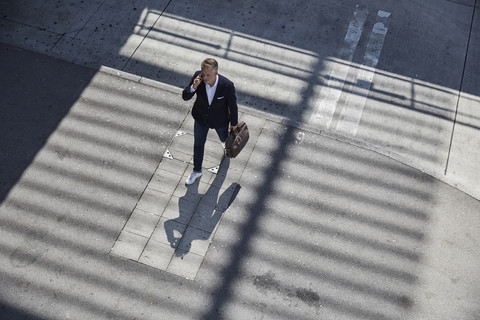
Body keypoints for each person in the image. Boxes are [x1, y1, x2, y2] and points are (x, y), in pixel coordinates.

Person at [182, 58, 238, 185]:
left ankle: (226, 149)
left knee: (225, 140)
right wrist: (193, 87)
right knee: (198, 144)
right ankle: (197, 171)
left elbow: (233, 106)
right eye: (204, 74)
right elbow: (185, 96)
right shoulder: (198, 78)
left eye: (208, 75)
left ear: (216, 73)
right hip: (201, 118)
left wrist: (234, 124)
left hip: (220, 120)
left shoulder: (227, 85)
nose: (205, 78)